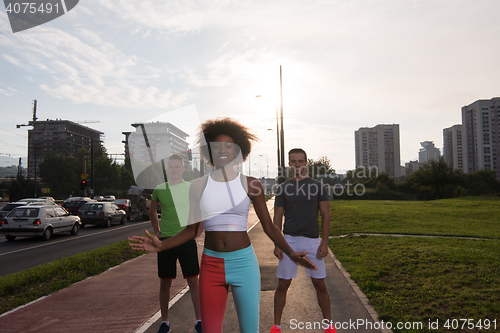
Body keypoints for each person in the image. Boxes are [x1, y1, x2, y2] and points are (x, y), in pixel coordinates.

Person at [131, 118, 317, 333]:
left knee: (250, 330)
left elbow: (269, 226)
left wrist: (292, 254)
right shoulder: (197, 186)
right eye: (217, 146)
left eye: (228, 145)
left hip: (244, 264)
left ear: (238, 150)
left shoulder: (251, 184)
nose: (222, 150)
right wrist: (162, 245)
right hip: (211, 266)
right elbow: (192, 230)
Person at [270, 148, 336, 333]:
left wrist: (324, 242)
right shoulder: (283, 188)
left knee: (320, 284)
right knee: (283, 284)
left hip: (313, 241)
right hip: (288, 241)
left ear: (306, 163)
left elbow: (326, 215)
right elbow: (277, 219)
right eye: (294, 161)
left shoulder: (317, 186)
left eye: (301, 161)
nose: (297, 164)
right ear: (289, 164)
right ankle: (276, 326)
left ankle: (328, 325)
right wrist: (277, 243)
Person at [149, 154, 202, 333]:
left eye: (176, 167)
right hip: (166, 242)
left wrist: (198, 231)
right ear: (167, 169)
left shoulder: (190, 188)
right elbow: (152, 209)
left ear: (182, 168)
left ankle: (199, 321)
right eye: (170, 167)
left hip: (186, 240)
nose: (173, 170)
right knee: (165, 283)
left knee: (193, 282)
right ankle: (165, 322)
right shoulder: (160, 189)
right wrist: (156, 229)